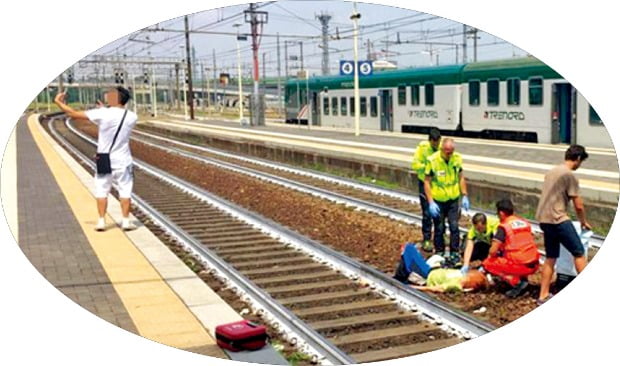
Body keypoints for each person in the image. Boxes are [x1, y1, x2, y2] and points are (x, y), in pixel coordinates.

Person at [54, 87, 138, 231]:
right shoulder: (131, 116)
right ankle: (125, 221)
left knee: (102, 190)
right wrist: (103, 110)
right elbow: (114, 122)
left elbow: (73, 114)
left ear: (115, 98)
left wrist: (58, 102)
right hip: (123, 160)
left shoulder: (102, 114)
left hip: (104, 158)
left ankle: (101, 221)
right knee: (125, 191)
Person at [535, 145, 591, 305]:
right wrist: (583, 222)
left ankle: (542, 295)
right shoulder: (569, 175)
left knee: (551, 257)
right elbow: (578, 205)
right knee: (579, 253)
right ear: (578, 159)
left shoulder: (552, 171)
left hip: (544, 219)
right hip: (558, 219)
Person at [424, 138, 469, 264]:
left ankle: (455, 252)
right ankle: (439, 252)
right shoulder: (432, 161)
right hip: (438, 200)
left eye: (451, 151)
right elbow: (427, 182)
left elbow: (461, 178)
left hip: (453, 199)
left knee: (454, 226)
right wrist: (431, 202)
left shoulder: (457, 159)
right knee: (439, 227)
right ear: (442, 149)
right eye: (447, 152)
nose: (449, 154)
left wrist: (464, 195)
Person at [482, 199, 540, 298]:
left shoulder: (504, 227)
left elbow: (492, 251)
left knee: (488, 263)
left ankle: (517, 282)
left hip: (520, 265)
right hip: (534, 264)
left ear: (501, 213)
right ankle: (522, 278)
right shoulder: (524, 222)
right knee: (517, 255)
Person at [394, 243, 488, 293]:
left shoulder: (457, 284)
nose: (471, 272)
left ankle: (401, 276)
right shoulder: (461, 275)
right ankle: (404, 270)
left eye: (472, 274)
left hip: (427, 275)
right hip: (432, 270)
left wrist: (414, 287)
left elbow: (438, 288)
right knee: (411, 251)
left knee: (409, 248)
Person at [411, 128, 441, 252]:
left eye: (437, 142)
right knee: (427, 213)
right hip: (425, 184)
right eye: (434, 143)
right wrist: (427, 167)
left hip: (438, 185)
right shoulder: (422, 149)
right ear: (430, 141)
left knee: (439, 214)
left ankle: (439, 237)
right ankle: (427, 238)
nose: (436, 145)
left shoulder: (441, 149)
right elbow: (415, 165)